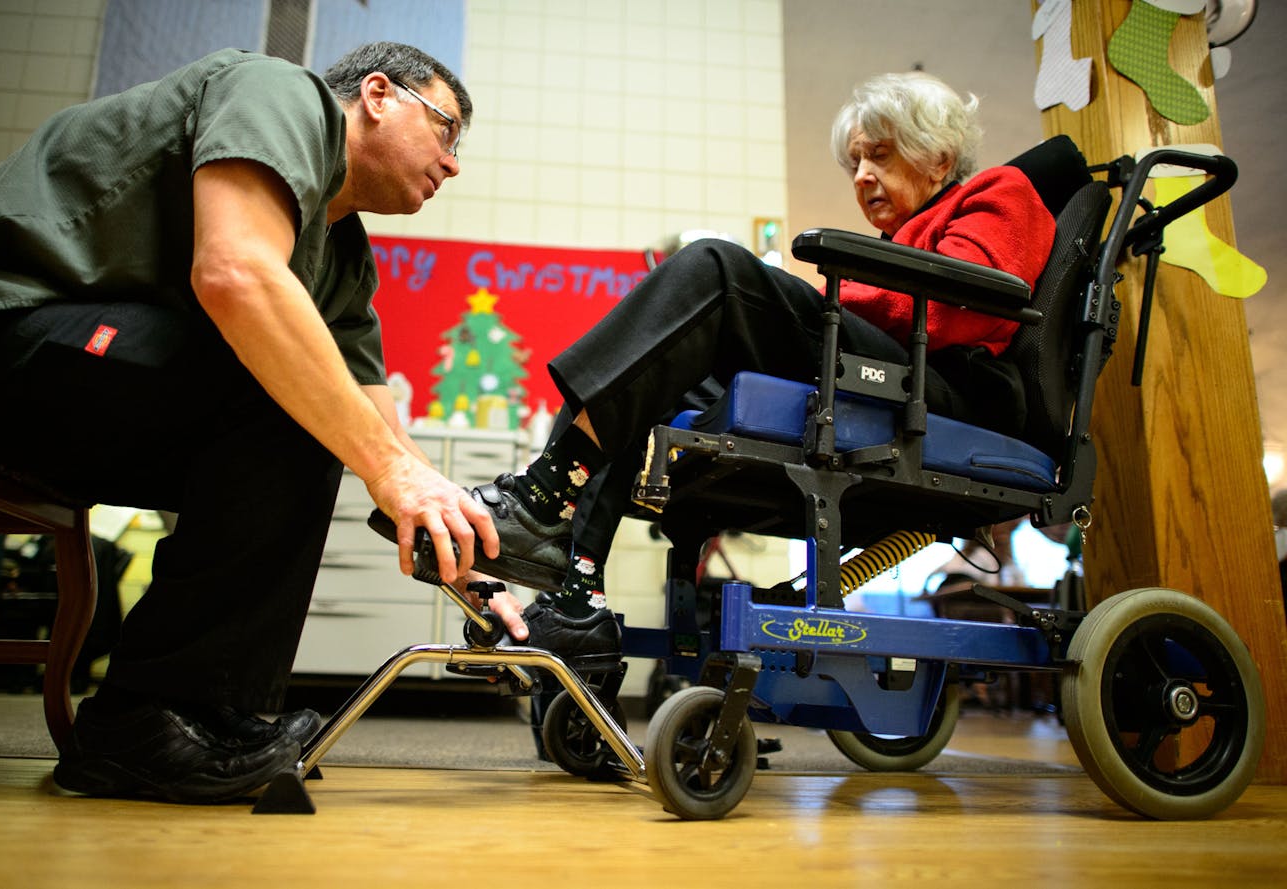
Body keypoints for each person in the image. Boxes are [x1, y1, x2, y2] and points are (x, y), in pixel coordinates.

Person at [0, 43, 504, 803]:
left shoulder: (343, 259)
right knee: (282, 380)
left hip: (54, 378)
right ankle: (144, 720)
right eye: (447, 129)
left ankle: (199, 711)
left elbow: (380, 433)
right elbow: (235, 273)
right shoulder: (280, 93)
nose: (453, 163)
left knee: (312, 409)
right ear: (376, 94)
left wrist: (467, 556)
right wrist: (390, 471)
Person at [422, 71, 1058, 661]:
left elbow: (959, 305)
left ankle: (541, 499)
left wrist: (823, 297)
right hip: (891, 379)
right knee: (654, 372)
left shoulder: (1000, 193)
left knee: (716, 267)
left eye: (879, 155)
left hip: (945, 391)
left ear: (938, 157)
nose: (861, 175)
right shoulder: (899, 246)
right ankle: (576, 583)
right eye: (855, 161)